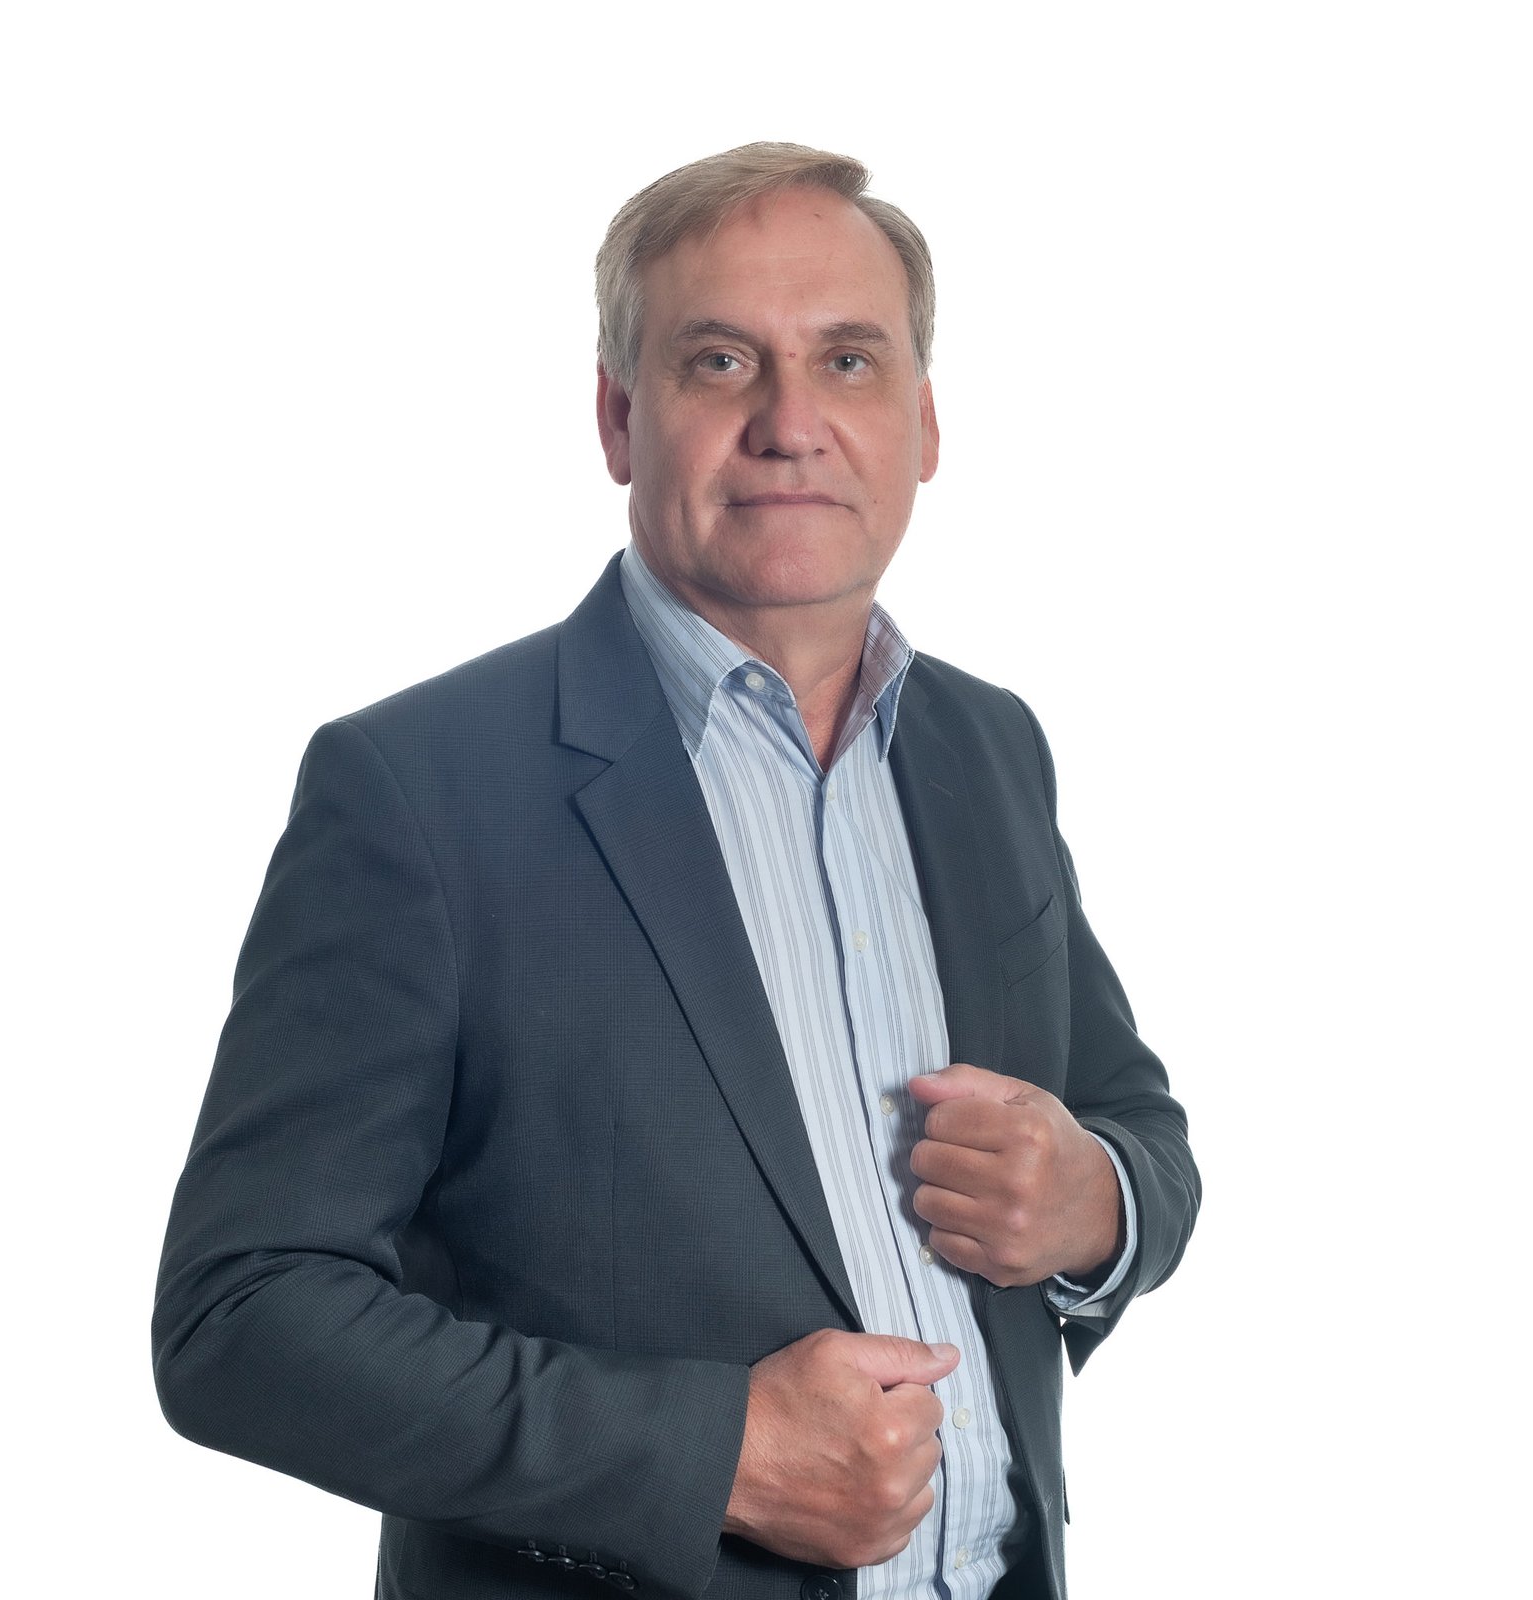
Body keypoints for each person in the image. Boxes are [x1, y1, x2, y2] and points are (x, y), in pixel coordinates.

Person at [154, 141, 1199, 1600]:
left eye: (848, 361)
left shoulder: (988, 747)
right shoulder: (417, 790)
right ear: (617, 417)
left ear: (923, 421)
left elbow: (1136, 1124)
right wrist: (716, 1456)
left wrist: (1097, 1205)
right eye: (721, 362)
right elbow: (242, 1318)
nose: (791, 424)